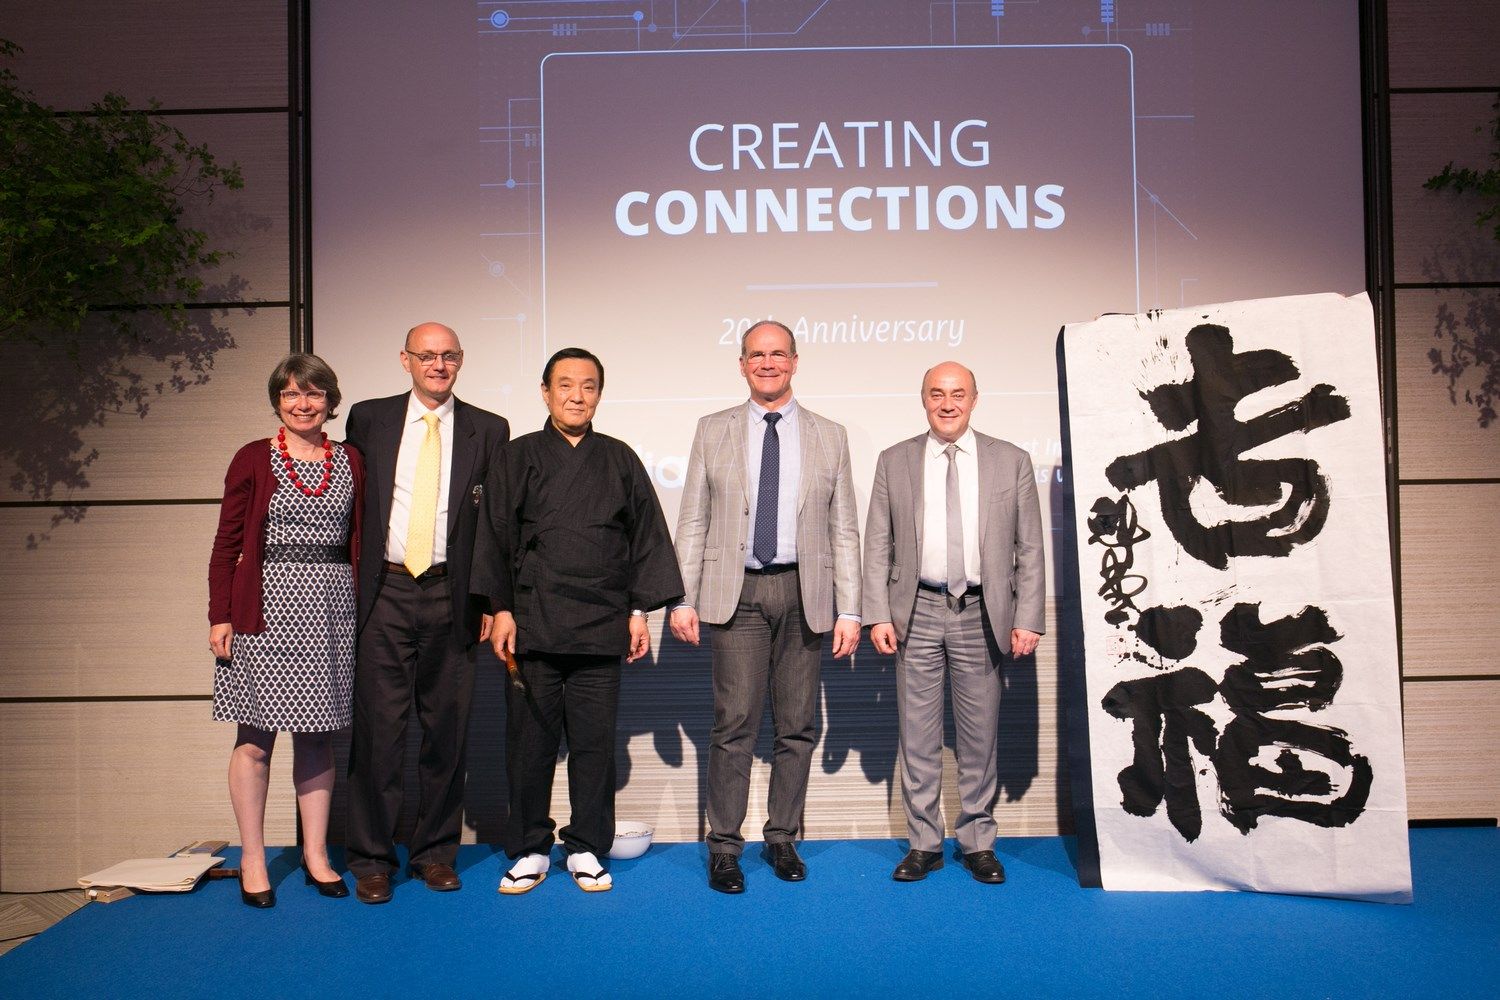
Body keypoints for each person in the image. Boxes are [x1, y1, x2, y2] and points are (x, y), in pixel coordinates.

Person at [474, 347, 683, 895]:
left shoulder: (619, 458)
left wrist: (638, 611)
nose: (576, 396)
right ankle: (530, 848)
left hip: (600, 621)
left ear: (599, 395)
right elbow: (494, 535)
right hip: (533, 622)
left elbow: (646, 539)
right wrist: (500, 608)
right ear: (545, 393)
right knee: (529, 744)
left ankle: (587, 845)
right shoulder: (517, 456)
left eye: (588, 386)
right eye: (565, 385)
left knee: (594, 745)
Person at [670, 320, 862, 894]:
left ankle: (782, 838)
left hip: (806, 593)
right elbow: (694, 519)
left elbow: (844, 529)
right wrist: (682, 597)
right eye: (757, 354)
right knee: (734, 724)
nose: (768, 363)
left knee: (797, 726)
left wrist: (850, 609)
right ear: (742, 364)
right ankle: (724, 847)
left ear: (795, 362)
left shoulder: (830, 434)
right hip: (738, 595)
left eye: (778, 354)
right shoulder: (713, 429)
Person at [343, 322, 509, 904]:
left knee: (446, 734)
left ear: (460, 361)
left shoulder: (490, 428)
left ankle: (435, 853)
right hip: (384, 592)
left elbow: (494, 526)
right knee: (378, 734)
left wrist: (490, 600)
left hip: (452, 596)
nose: (438, 365)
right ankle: (371, 859)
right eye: (427, 355)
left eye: (448, 356)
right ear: (405, 360)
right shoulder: (369, 418)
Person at [862, 361, 1045, 885]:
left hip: (982, 613)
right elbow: (878, 543)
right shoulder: (894, 460)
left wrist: (1028, 616)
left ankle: (978, 842)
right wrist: (877, 612)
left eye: (958, 394)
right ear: (923, 399)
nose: (948, 404)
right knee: (917, 736)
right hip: (916, 611)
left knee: (979, 736)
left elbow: (1030, 547)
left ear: (974, 399)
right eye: (937, 394)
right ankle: (924, 844)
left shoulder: (1011, 460)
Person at [208, 353, 364, 908]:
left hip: (331, 611)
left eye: (314, 393)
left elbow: (360, 538)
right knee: (255, 739)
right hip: (265, 608)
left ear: (330, 401)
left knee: (318, 737)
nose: (303, 404)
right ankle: (253, 858)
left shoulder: (350, 459)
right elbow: (227, 543)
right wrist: (220, 614)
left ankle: (316, 855)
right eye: (292, 394)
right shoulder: (253, 457)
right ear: (277, 401)